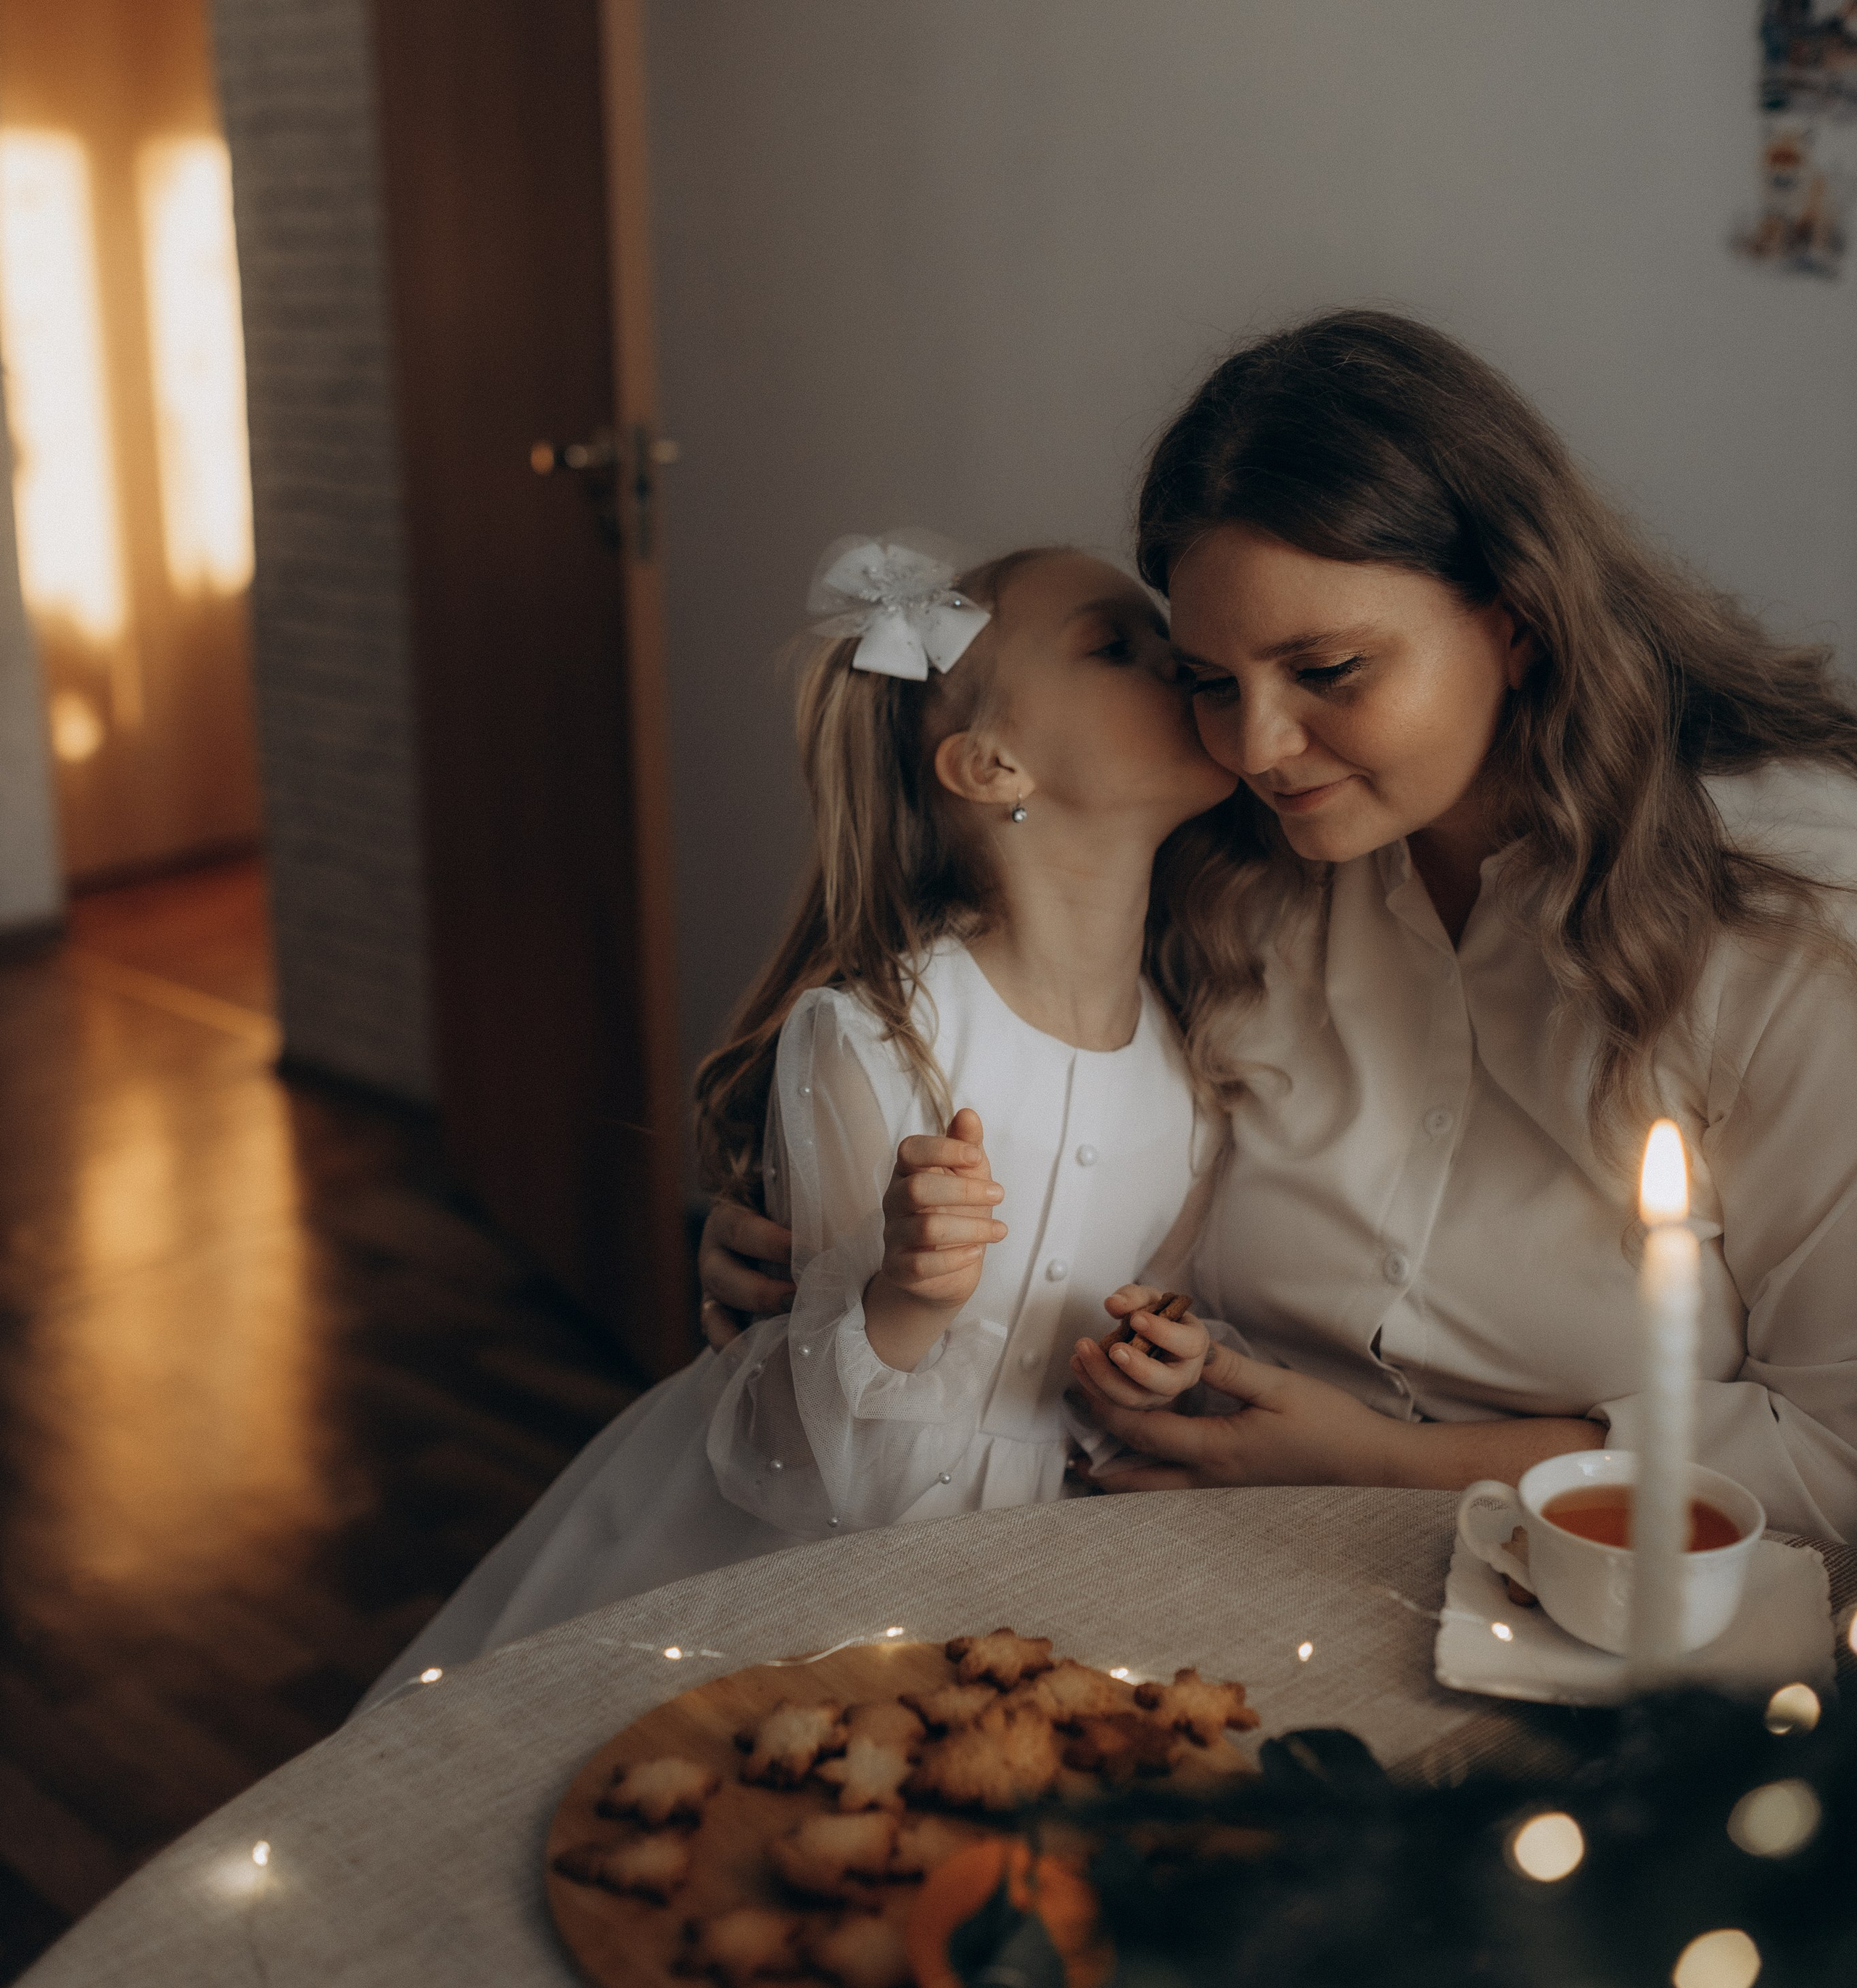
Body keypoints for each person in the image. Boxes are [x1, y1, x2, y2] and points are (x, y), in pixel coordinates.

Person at [706, 316, 1857, 1546]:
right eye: (1209, 679)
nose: (1254, 748)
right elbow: (1043, 1134)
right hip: (1161, 1547)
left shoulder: (1786, 930)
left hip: (1616, 1595)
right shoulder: (1227, 866)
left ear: (1519, 618)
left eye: (1331, 670)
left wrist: (1382, 1463)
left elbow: (1838, 1459)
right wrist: (816, 1272)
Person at [361, 535, 1235, 1704]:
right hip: (801, 1553)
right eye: (1114, 647)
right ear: (992, 767)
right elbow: (794, 1427)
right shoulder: (875, 1036)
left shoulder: (1191, 1078)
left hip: (1041, 1562)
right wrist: (903, 1298)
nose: (1175, 660)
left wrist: (1153, 1370)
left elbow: (1132, 1339)